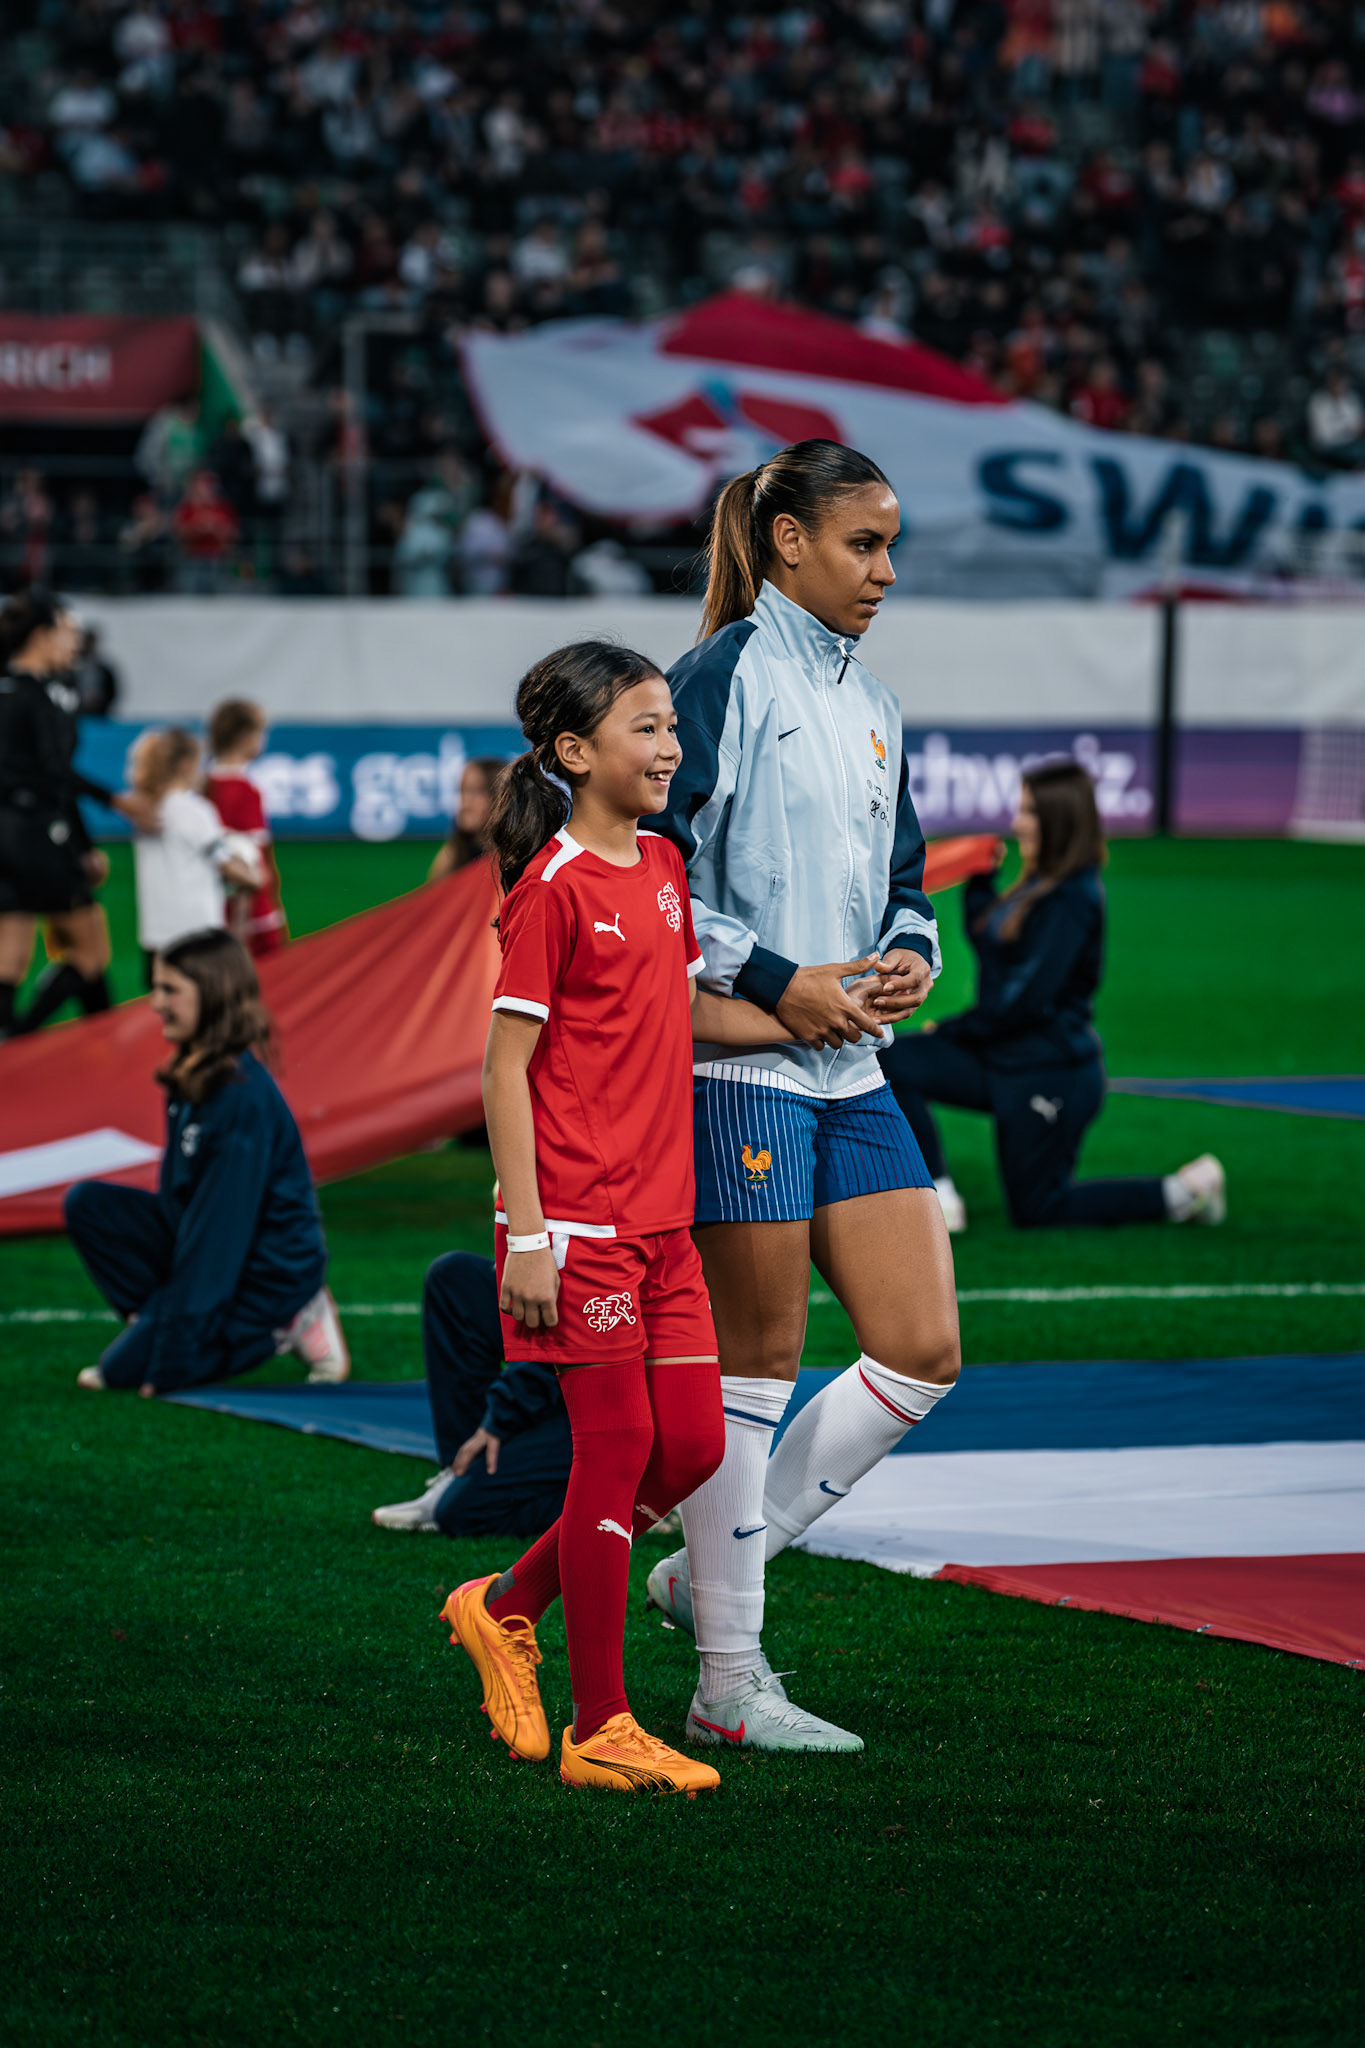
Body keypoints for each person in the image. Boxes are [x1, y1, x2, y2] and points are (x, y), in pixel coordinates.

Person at [645, 438, 962, 1755]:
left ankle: (703, 1570)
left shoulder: (876, 698)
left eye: (890, 547)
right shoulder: (712, 681)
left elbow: (906, 880)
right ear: (787, 543)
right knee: (756, 1368)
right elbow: (653, 877)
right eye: (862, 544)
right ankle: (728, 1679)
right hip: (741, 1067)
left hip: (851, 1061)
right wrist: (784, 979)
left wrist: (910, 957)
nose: (884, 570)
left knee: (922, 1348)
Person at [440, 640, 795, 1797]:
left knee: (689, 1446)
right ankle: (604, 1725)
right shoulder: (548, 888)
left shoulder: (659, 862)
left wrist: (812, 1016)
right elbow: (504, 1071)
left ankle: (502, 1604)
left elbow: (685, 1010)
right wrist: (531, 1234)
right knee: (616, 1451)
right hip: (578, 1224)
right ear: (573, 751)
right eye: (646, 728)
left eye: (670, 728)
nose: (670, 746)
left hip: (664, 1220)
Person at [879, 761, 1226, 1232]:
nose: (1018, 822)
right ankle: (939, 1195)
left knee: (1040, 1210)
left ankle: (1182, 1193)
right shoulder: (1038, 885)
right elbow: (996, 949)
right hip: (1004, 1055)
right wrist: (979, 882)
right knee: (894, 1059)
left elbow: (1027, 1001)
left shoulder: (1073, 899)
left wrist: (956, 1030)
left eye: (1030, 812)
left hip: (1050, 1071)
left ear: (1059, 821)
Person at [64, 927, 349, 1393]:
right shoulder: (194, 1072)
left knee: (121, 1373)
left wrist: (171, 1359)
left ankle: (293, 1317)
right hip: (217, 1251)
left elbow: (218, 1240)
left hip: (265, 1273)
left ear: (213, 996)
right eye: (156, 987)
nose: (155, 1003)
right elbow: (188, 1216)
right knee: (88, 1205)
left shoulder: (239, 1100)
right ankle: (166, 1324)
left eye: (170, 990)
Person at [0, 588, 147, 1037]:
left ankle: (17, 1042)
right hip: (33, 833)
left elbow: (55, 775)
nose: (76, 640)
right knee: (89, 952)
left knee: (12, 954)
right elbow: (53, 772)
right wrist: (116, 801)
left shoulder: (52, 688)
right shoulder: (22, 695)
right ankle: (25, 1041)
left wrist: (82, 842)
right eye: (68, 630)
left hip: (23, 832)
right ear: (41, 635)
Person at [372, 1252, 572, 1537]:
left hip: (615, 1386)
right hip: (565, 1339)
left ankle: (631, 1501)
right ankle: (462, 1468)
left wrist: (500, 1417)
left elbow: (563, 1330)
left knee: (463, 1513)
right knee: (453, 1279)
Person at [130, 727, 263, 984]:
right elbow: (226, 864)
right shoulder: (195, 809)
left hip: (155, 936)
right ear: (186, 765)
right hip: (195, 936)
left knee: (166, 1012)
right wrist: (253, 877)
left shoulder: (146, 809)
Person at [205, 698, 289, 956]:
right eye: (260, 732)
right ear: (244, 736)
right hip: (251, 902)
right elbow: (261, 855)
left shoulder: (203, 786)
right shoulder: (246, 790)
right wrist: (275, 900)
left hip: (212, 900)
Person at [427, 755, 505, 882]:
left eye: (476, 792)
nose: (465, 804)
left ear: (500, 797)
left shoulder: (513, 861)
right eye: (462, 791)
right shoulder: (451, 856)